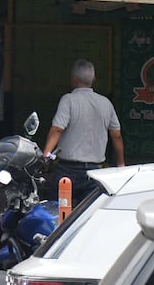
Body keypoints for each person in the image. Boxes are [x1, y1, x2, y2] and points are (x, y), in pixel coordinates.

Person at [42, 60, 124, 203]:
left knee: (58, 211)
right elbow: (116, 136)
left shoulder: (68, 100)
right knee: (89, 215)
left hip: (67, 171)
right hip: (95, 173)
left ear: (73, 79)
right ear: (93, 80)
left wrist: (46, 155)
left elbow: (57, 129)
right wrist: (121, 165)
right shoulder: (106, 103)